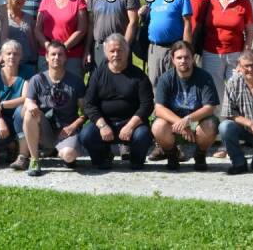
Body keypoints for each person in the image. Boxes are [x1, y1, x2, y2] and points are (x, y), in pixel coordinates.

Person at [81, 34, 154, 170]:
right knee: (86, 135)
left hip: (132, 124)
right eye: (112, 51)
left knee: (143, 134)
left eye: (120, 50)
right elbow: (89, 104)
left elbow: (147, 105)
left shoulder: (139, 76)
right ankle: (103, 158)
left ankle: (136, 160)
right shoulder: (97, 74)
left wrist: (130, 126)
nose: (116, 54)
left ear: (127, 51)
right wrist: (102, 126)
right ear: (105, 53)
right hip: (105, 123)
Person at [22, 41, 87, 175]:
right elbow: (28, 101)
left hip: (66, 129)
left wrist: (73, 126)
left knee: (69, 155)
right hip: (45, 128)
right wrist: (32, 105)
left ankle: (62, 150)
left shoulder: (76, 81)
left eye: (60, 54)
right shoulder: (37, 79)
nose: (56, 58)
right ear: (46, 57)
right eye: (53, 54)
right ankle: (34, 160)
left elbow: (86, 112)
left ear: (65, 58)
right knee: (29, 113)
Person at [152, 41, 220, 171]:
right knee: (158, 126)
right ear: (173, 59)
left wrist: (187, 120)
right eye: (179, 57)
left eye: (187, 57)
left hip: (197, 121)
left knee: (211, 125)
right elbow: (159, 109)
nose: (183, 61)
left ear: (193, 58)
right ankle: (172, 154)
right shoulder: (166, 78)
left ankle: (200, 155)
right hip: (174, 121)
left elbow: (209, 108)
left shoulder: (204, 77)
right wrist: (181, 123)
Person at [202, 0, 253, 128]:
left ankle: (237, 129)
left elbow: (250, 31)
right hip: (212, 53)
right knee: (216, 92)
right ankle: (219, 130)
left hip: (235, 54)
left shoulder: (243, 2)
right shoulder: (210, 1)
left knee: (237, 90)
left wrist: (244, 56)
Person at [143, 0, 192, 87]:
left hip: (175, 48)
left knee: (176, 84)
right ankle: (157, 108)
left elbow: (187, 23)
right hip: (155, 48)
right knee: (154, 85)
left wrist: (186, 50)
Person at [37, 0, 89, 77]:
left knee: (72, 89)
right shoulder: (45, 1)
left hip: (72, 55)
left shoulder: (78, 1)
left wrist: (64, 48)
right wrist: (48, 47)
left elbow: (82, 29)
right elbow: (37, 29)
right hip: (47, 55)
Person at [0, 40, 30, 169]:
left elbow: (25, 98)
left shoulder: (27, 71)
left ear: (20, 56)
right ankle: (11, 145)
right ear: (2, 56)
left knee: (21, 110)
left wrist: (2, 104)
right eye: (8, 53)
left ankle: (23, 156)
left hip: (21, 116)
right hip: (3, 118)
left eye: (16, 54)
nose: (12, 57)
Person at [6, 0, 39, 73]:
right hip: (9, 64)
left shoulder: (29, 17)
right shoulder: (2, 18)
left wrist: (36, 59)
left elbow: (33, 41)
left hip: (29, 63)